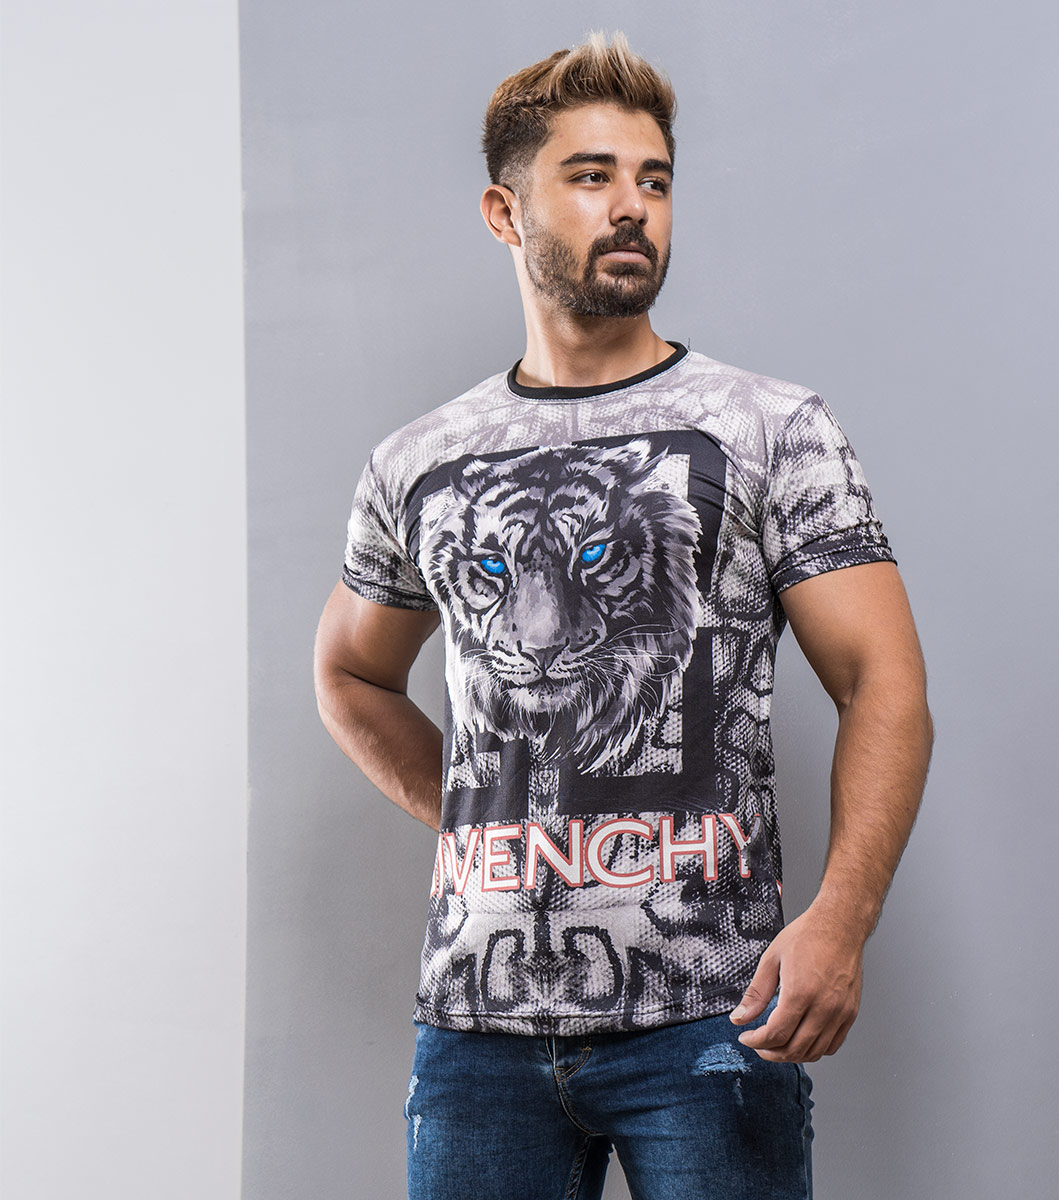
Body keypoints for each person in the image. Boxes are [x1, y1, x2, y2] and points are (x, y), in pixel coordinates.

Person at [314, 31, 933, 1200]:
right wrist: (478, 816)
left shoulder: (771, 428)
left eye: (654, 179)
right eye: (591, 176)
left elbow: (883, 683)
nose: (633, 206)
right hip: (476, 1023)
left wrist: (842, 920)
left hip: (711, 1015)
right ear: (505, 212)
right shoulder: (419, 460)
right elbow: (349, 673)